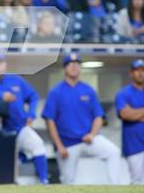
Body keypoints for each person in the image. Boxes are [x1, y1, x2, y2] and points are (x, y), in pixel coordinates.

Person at [42, 53, 121, 184]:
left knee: (113, 152)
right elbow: (49, 121)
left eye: (77, 64)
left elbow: (98, 117)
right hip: (67, 144)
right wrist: (59, 146)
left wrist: (92, 134)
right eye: (71, 64)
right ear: (65, 68)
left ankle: (115, 188)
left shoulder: (88, 90)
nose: (74, 66)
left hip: (88, 139)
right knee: (68, 181)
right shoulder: (56, 92)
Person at [0, 54, 48, 184]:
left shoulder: (16, 81)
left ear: (5, 65)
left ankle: (44, 181)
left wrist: (31, 115)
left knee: (37, 145)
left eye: (0, 63)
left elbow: (33, 96)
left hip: (19, 127)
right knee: (3, 162)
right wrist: (0, 95)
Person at [115, 59, 144, 184]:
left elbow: (131, 113)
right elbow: (124, 114)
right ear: (131, 73)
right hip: (133, 144)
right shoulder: (123, 93)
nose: (140, 73)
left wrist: (135, 112)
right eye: (137, 70)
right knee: (136, 182)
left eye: (143, 70)